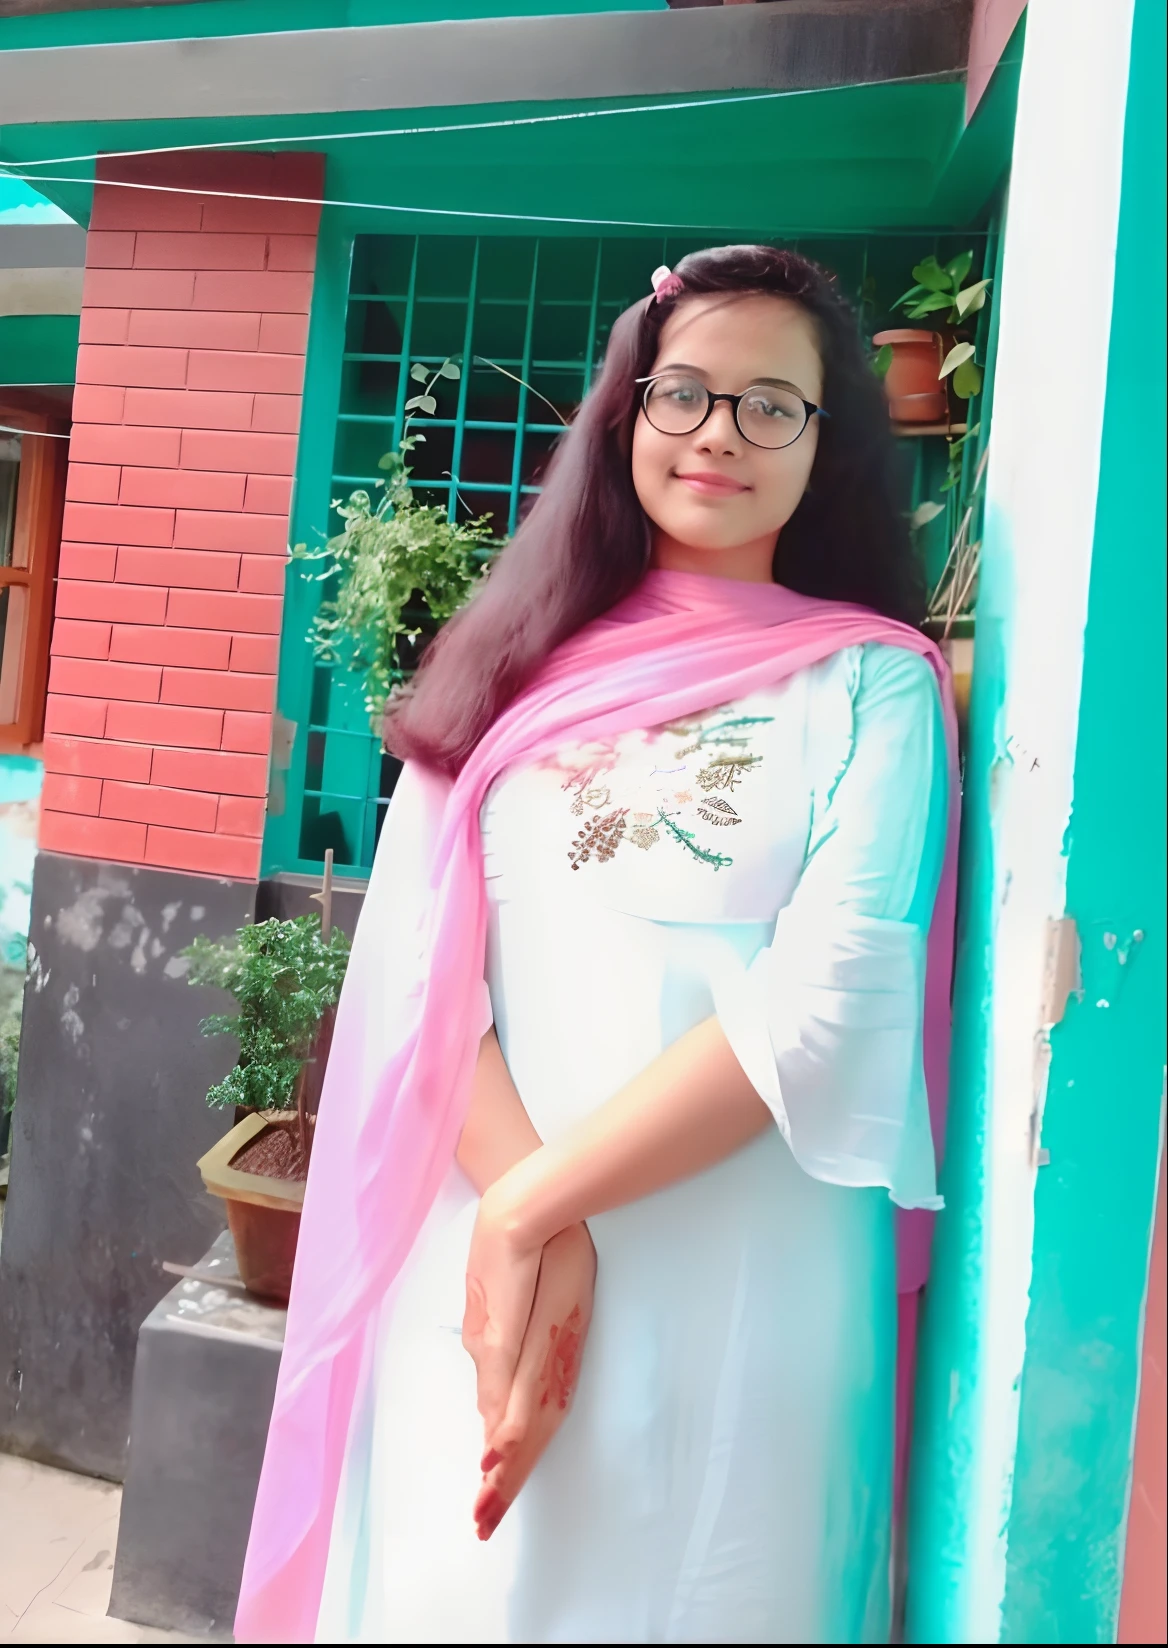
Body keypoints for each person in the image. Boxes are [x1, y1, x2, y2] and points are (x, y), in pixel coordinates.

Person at [235, 245, 958, 1646]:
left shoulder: (872, 681)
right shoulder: (510, 662)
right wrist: (533, 1222)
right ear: (625, 414)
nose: (718, 436)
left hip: (743, 1288)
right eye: (683, 393)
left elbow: (825, 1008)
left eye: (772, 406)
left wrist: (533, 1210)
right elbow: (420, 981)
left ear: (828, 443)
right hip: (483, 1274)